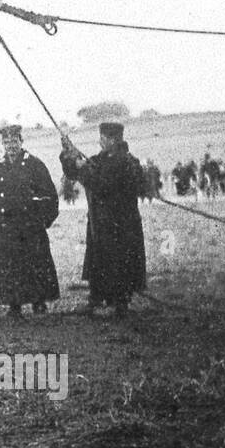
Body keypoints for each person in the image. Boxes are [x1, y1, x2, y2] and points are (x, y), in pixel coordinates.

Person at [60, 122, 147, 317]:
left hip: (121, 225)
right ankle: (96, 299)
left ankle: (119, 304)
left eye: (104, 138)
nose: (100, 141)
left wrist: (84, 170)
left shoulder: (126, 161)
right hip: (101, 224)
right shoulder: (101, 159)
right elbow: (74, 171)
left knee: (119, 263)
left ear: (113, 140)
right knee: (99, 262)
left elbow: (102, 185)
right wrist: (68, 153)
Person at [0, 125, 60, 318]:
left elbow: (50, 197)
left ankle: (39, 302)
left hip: (31, 228)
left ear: (21, 141)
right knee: (10, 266)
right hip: (5, 229)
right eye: (7, 142)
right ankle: (13, 304)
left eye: (14, 141)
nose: (11, 146)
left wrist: (43, 222)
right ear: (3, 144)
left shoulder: (35, 165)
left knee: (35, 264)